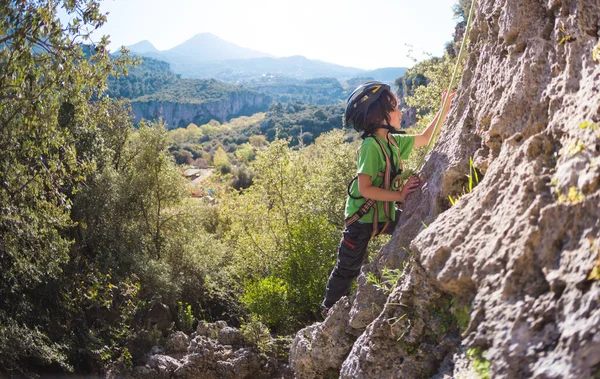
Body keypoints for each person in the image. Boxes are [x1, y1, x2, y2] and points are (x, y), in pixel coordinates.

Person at [321, 81, 455, 316]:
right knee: (347, 268)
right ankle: (328, 311)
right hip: (360, 220)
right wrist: (399, 195)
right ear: (379, 115)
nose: (400, 112)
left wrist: (444, 108)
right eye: (395, 108)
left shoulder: (393, 142)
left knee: (415, 229)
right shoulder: (370, 147)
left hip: (385, 214)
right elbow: (365, 189)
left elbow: (425, 138)